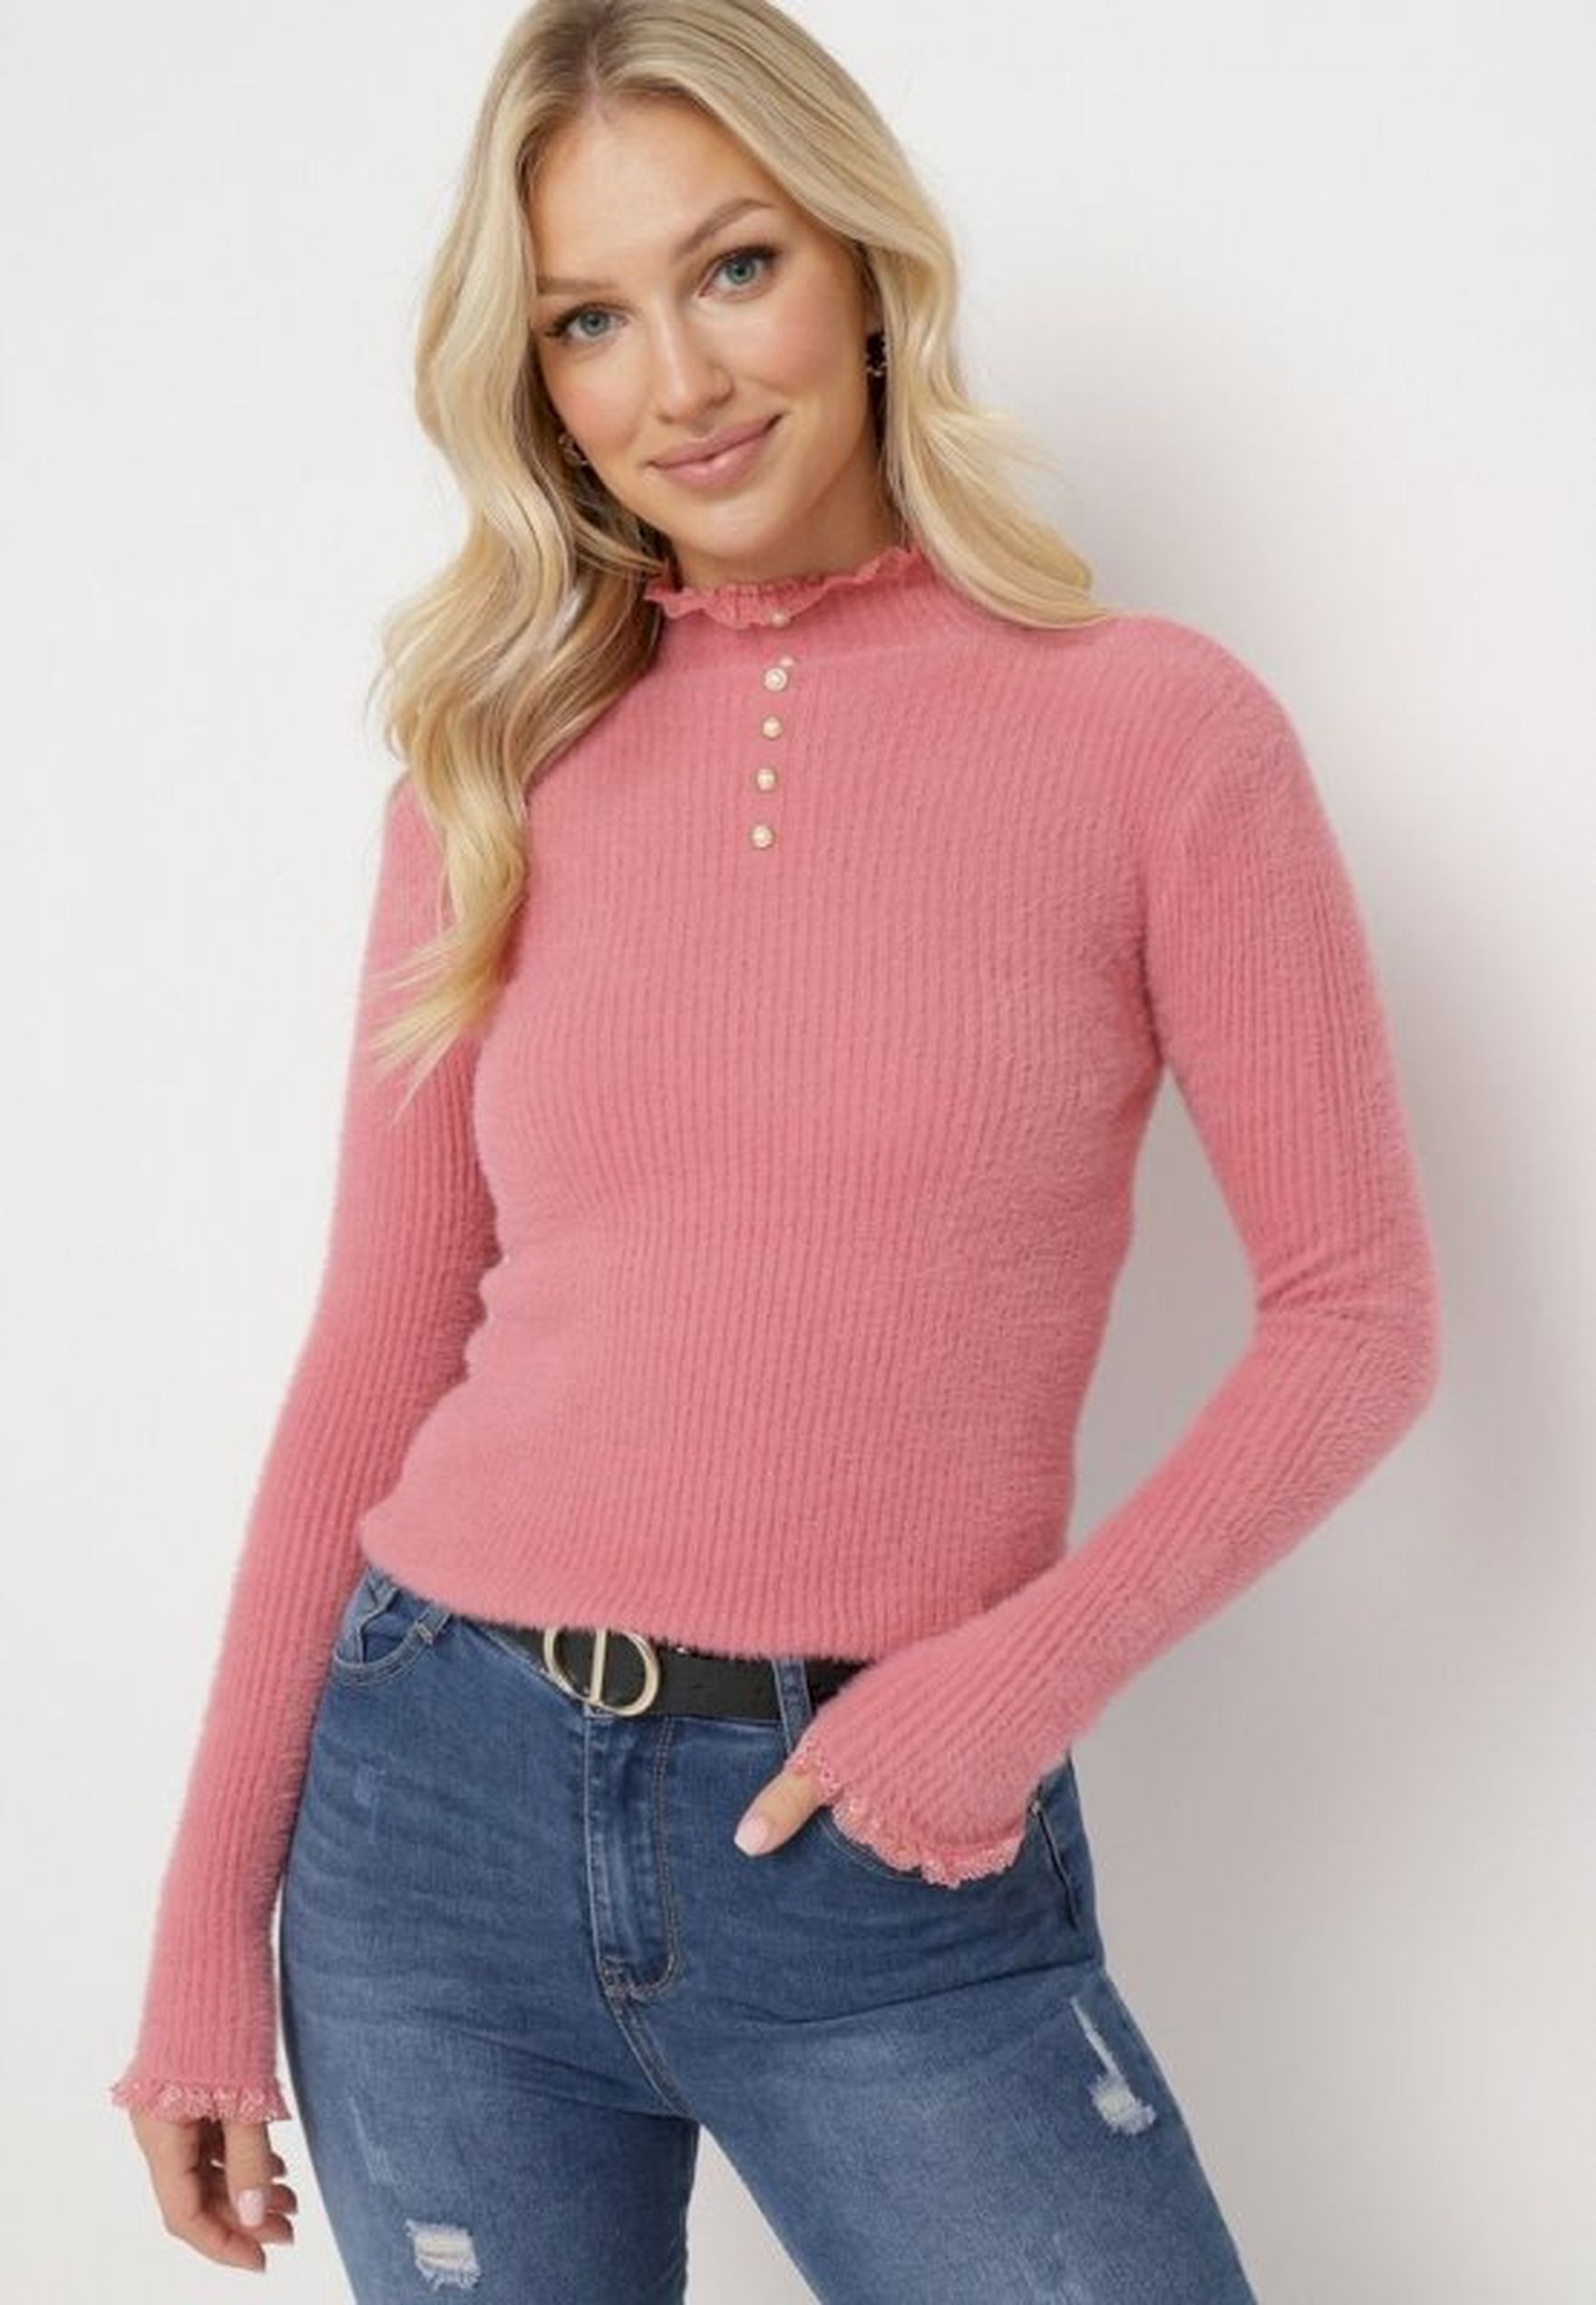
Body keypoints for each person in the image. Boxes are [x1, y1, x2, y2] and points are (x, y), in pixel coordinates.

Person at [109, 1, 1442, 2295]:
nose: (681, 381)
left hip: (878, 1847)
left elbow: (1355, 1318)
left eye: (733, 268)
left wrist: (998, 1690)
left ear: (859, 263)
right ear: (534, 379)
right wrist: (202, 1929)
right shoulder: (489, 770)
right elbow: (375, 1353)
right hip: (428, 1837)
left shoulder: (1155, 733)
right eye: (588, 320)